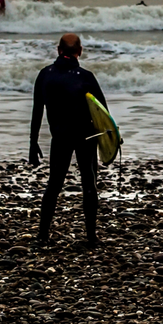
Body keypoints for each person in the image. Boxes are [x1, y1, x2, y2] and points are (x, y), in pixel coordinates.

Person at [29, 33, 109, 247]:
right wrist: (108, 143)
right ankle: (91, 238)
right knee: (89, 183)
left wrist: (32, 143)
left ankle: (42, 236)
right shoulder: (85, 76)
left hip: (60, 137)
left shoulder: (45, 75)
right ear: (80, 51)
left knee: (53, 185)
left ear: (58, 50)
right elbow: (104, 113)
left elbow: (37, 111)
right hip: (85, 135)